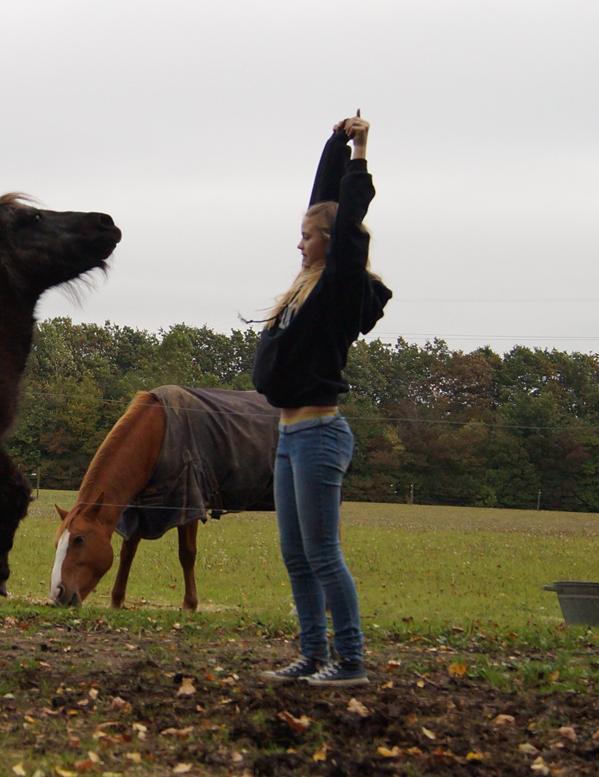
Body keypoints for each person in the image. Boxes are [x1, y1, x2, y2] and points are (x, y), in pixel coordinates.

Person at [252, 113, 392, 687]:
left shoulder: (336, 289)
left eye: (309, 236)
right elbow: (323, 205)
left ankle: (350, 660)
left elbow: (346, 220)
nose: (300, 241)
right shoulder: (303, 287)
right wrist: (333, 147)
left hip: (318, 435)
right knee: (296, 555)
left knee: (323, 554)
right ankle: (312, 655)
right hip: (289, 436)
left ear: (332, 247)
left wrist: (360, 152)